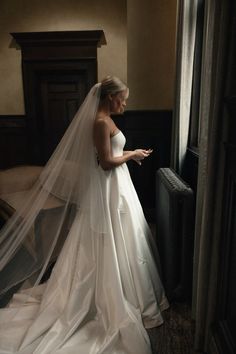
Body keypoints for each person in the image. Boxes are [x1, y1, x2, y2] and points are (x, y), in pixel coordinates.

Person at [0, 76, 168, 354]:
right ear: (110, 97)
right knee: (111, 236)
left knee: (125, 235)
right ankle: (111, 294)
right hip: (109, 185)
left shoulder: (106, 120)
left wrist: (130, 153)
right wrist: (130, 155)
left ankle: (132, 291)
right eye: (122, 98)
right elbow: (104, 163)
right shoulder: (100, 122)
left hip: (118, 184)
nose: (125, 103)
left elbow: (111, 152)